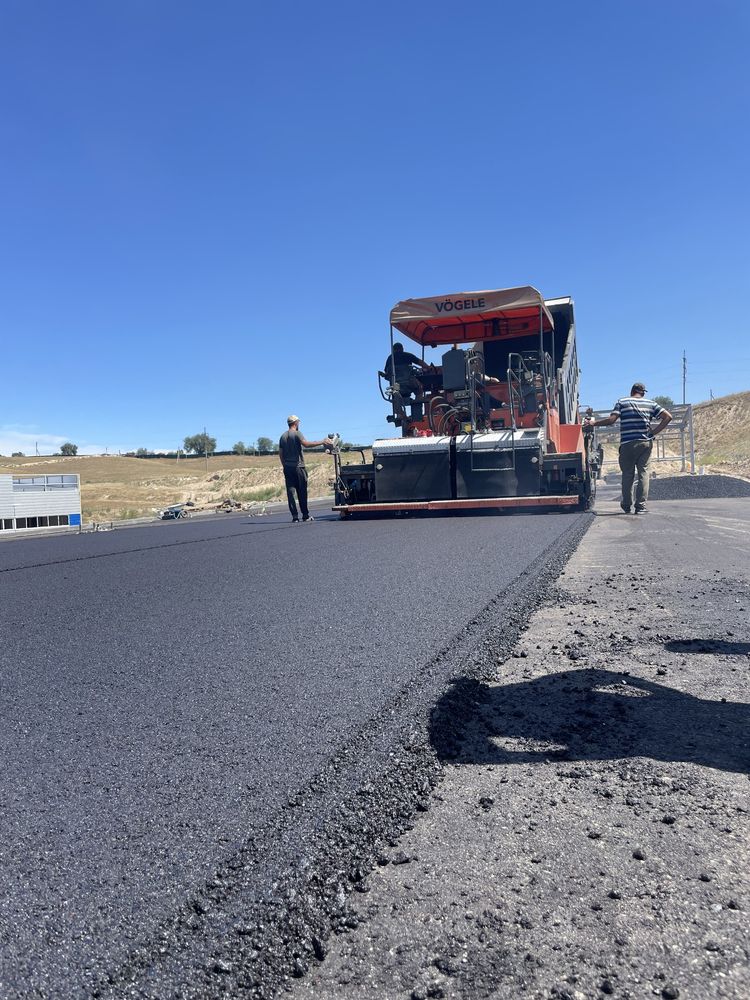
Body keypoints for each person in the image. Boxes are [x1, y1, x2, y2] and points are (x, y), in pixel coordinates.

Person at [585, 382, 672, 514]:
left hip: (627, 444)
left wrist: (594, 423)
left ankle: (626, 505)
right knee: (643, 473)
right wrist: (654, 432)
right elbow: (668, 417)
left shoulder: (622, 402)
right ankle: (640, 506)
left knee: (627, 474)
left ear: (631, 391)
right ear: (643, 393)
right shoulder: (651, 404)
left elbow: (611, 420)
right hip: (645, 443)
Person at [278, 416, 333, 522]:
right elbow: (306, 444)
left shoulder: (282, 436)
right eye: (298, 422)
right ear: (296, 423)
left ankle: (294, 517)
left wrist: (285, 466)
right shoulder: (297, 433)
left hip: (288, 468)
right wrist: (322, 441)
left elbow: (280, 454)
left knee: (291, 493)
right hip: (299, 467)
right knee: (302, 491)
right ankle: (305, 515)